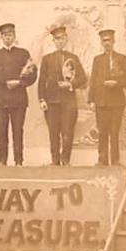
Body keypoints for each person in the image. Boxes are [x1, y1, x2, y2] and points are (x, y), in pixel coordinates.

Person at [0, 23, 38, 166]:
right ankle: (2, 161)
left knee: (18, 131)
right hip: (1, 100)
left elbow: (32, 75)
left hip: (19, 100)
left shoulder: (23, 53)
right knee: (2, 132)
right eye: (5, 35)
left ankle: (18, 161)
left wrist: (19, 83)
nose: (7, 38)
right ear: (1, 38)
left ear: (14, 36)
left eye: (10, 35)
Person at [38, 26, 87, 166]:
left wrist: (71, 84)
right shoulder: (47, 59)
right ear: (53, 41)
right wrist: (42, 99)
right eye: (57, 39)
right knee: (53, 133)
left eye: (62, 38)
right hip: (52, 102)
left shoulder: (74, 58)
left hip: (69, 102)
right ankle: (55, 161)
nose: (60, 41)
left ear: (66, 39)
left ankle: (65, 161)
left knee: (67, 133)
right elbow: (42, 81)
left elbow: (83, 78)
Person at [88, 29, 126, 166]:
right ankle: (102, 159)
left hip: (117, 102)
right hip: (101, 102)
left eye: (109, 40)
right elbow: (93, 80)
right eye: (104, 41)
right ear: (101, 43)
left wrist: (117, 83)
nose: (107, 43)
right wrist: (91, 100)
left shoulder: (121, 59)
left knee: (114, 132)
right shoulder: (97, 60)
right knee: (102, 131)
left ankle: (115, 160)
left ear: (114, 41)